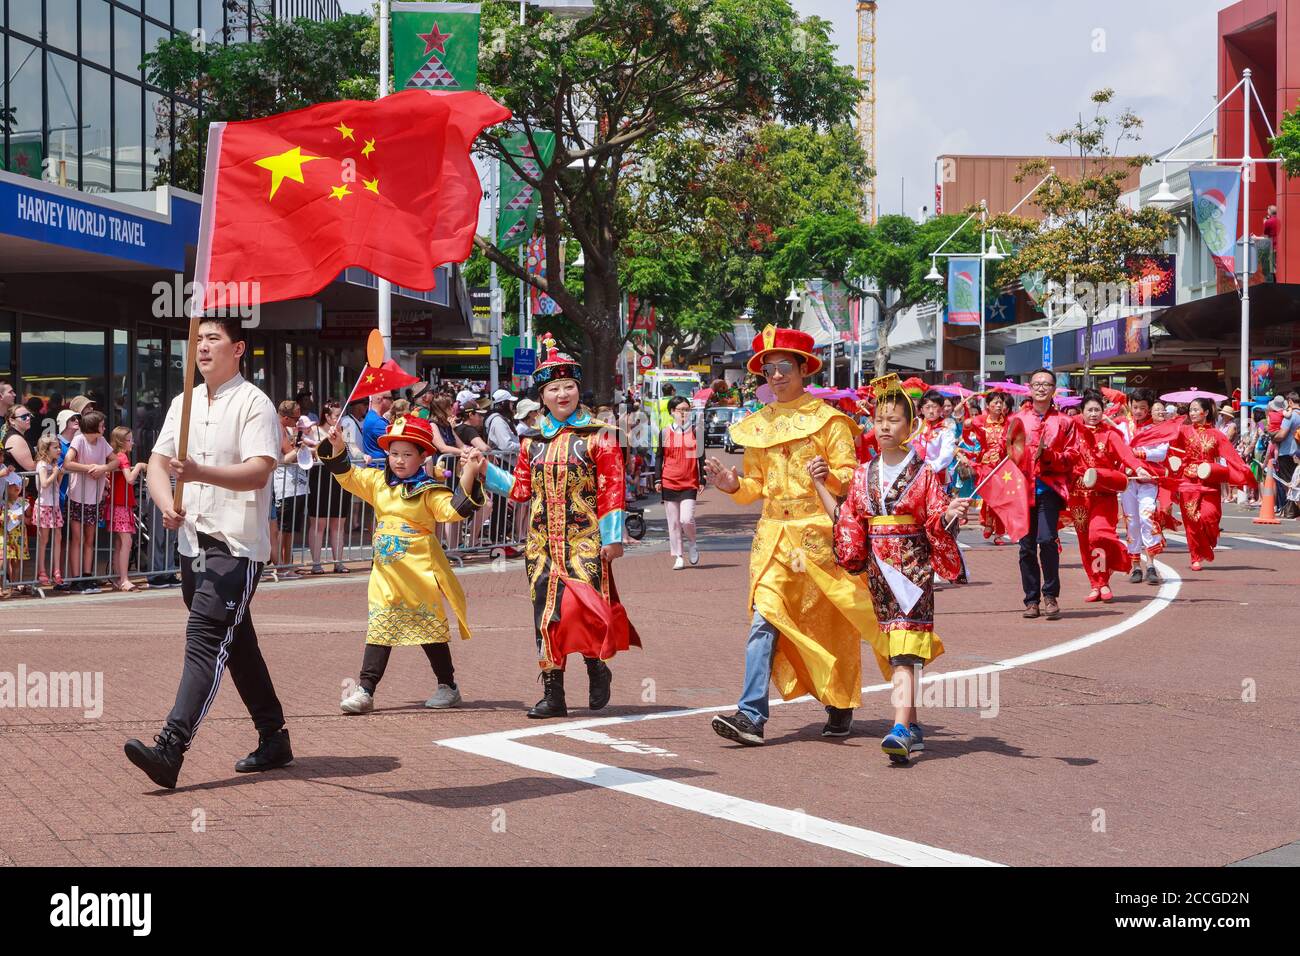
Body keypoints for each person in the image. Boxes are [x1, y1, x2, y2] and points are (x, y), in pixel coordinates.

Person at [124, 316, 291, 791]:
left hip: (236, 545)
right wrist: (163, 502)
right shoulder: (184, 401)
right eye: (198, 339)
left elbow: (259, 471)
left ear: (238, 349)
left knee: (204, 638)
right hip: (191, 543)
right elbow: (158, 461)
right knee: (236, 644)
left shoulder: (254, 402)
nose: (201, 346)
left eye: (213, 339)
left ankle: (170, 748)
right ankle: (274, 736)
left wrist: (198, 473)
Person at [703, 326, 875, 746]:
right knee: (765, 619)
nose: (775, 376)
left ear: (803, 369)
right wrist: (731, 484)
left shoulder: (830, 422)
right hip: (773, 540)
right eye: (768, 370)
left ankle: (839, 701)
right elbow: (755, 486)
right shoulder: (757, 426)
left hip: (818, 539)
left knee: (829, 624)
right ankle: (751, 716)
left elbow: (852, 480)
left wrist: (828, 475)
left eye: (783, 367)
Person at [811, 376, 970, 762]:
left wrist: (950, 512)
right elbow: (847, 522)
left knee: (905, 649)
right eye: (879, 418)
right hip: (880, 573)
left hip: (912, 570)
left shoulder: (924, 474)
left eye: (894, 419)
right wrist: (819, 485)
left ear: (911, 426)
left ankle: (899, 728)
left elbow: (935, 516)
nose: (884, 426)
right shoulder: (864, 473)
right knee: (898, 646)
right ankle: (912, 726)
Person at [483, 338, 640, 718]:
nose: (562, 393)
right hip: (540, 547)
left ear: (577, 389)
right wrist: (482, 470)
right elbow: (520, 491)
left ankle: (596, 667)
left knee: (581, 610)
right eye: (553, 388)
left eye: (568, 385)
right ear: (543, 396)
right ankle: (553, 692)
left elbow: (612, 488)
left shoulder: (599, 436)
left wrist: (613, 537)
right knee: (545, 616)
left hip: (585, 542)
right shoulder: (531, 442)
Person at [324, 414, 487, 714]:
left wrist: (470, 471)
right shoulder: (376, 483)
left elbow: (454, 510)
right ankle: (365, 690)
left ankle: (448, 686)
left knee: (429, 632)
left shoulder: (429, 491)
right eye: (394, 453)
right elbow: (346, 475)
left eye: (407, 454)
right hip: (386, 576)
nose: (399, 460)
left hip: (420, 574)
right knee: (380, 627)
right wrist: (336, 446)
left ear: (423, 456)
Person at [1065, 390, 1151, 604]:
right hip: (1078, 496)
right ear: (1082, 412)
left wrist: (1138, 468)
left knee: (1099, 536)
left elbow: (1126, 454)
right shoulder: (1072, 431)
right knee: (1085, 542)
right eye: (1089, 410)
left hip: (1104, 495)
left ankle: (1108, 573)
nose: (1093, 414)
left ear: (1103, 412)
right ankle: (1096, 584)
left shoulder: (1110, 435)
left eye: (1097, 410)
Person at [1011, 369, 1075, 620]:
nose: (1041, 388)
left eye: (1046, 384)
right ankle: (1031, 600)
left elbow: (1073, 456)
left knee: (1047, 541)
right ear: (1029, 387)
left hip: (1048, 488)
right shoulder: (1017, 420)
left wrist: (1049, 456)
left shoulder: (1065, 422)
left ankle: (1050, 595)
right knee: (1025, 547)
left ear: (1053, 389)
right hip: (1021, 490)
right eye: (1037, 384)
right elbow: (1005, 453)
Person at [1177, 397, 1256, 571]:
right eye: (1190, 410)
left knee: (1210, 517)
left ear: (1205, 412)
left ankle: (1207, 543)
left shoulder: (1216, 434)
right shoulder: (1182, 431)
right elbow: (1171, 449)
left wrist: (1244, 472)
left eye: (1196, 409)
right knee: (1191, 521)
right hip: (1188, 481)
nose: (1192, 413)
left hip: (1210, 481)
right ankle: (1195, 556)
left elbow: (1231, 456)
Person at [61, 408, 118, 592]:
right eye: (101, 425)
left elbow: (115, 461)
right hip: (78, 495)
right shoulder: (79, 439)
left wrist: (103, 468)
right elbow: (67, 462)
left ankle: (87, 575)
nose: (104, 428)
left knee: (89, 539)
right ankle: (76, 577)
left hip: (95, 497)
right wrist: (90, 468)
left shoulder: (101, 441)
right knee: (77, 538)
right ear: (94, 426)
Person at [1122, 388, 1173, 584]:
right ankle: (1135, 565)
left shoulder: (1158, 429)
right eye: (1135, 407)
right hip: (1128, 480)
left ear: (1149, 408)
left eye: (1142, 408)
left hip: (1149, 479)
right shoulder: (1123, 428)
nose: (1138, 411)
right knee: (1132, 521)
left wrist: (1139, 454)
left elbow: (1161, 453)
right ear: (1130, 407)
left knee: (1147, 515)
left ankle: (1151, 564)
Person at [654, 395, 703, 570]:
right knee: (673, 522)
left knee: (686, 519)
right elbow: (659, 457)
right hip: (669, 481)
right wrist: (657, 478)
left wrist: (702, 477)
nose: (684, 413)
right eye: (681, 410)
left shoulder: (696, 432)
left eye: (687, 409)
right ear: (672, 412)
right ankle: (679, 556)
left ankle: (692, 543)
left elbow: (701, 457)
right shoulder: (664, 433)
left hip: (689, 482)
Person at [306, 400, 352, 574]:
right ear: (327, 416)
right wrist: (325, 441)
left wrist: (365, 456)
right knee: (319, 523)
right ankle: (316, 563)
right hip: (320, 481)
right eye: (336, 416)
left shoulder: (344, 432)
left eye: (341, 416)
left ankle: (338, 562)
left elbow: (352, 450)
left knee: (338, 523)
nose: (339, 419)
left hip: (340, 480)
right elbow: (309, 450)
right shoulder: (315, 431)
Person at [965, 391, 1015, 544]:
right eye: (995, 402)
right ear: (988, 406)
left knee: (1001, 498)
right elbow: (966, 426)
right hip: (986, 464)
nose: (999, 405)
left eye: (1001, 402)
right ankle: (987, 521)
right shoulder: (980, 420)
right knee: (990, 496)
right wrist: (965, 415)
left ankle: (999, 532)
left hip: (1003, 464)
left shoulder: (1008, 422)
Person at [270, 400, 310, 579]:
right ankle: (282, 567)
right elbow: (286, 457)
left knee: (289, 528)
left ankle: (286, 565)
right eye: (295, 417)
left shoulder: (285, 429)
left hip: (292, 485)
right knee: (283, 529)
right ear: (285, 417)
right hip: (283, 486)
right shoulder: (278, 428)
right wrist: (301, 447)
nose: (298, 420)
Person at [105, 426, 148, 592]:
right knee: (126, 541)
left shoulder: (117, 456)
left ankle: (119, 577)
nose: (133, 442)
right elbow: (130, 479)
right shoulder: (122, 457)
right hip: (120, 504)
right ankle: (123, 579)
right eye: (129, 439)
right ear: (121, 442)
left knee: (120, 542)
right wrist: (139, 466)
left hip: (119, 503)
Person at [34, 435, 64, 588]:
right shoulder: (42, 465)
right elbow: (45, 483)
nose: (59, 450)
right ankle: (42, 570)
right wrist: (55, 473)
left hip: (54, 505)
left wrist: (59, 475)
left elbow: (55, 485)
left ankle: (56, 569)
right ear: (46, 449)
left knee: (58, 536)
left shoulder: (53, 464)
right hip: (45, 505)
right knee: (44, 539)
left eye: (59, 447)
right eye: (55, 448)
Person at [1271, 391, 1299, 520]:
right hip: (1297, 454)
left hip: (1287, 453)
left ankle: (1292, 509)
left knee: (1288, 483)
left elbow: (1282, 435)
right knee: (1297, 482)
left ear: (1290, 402)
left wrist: (1272, 436)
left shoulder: (1290, 416)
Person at [362, 393, 393, 468]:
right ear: (380, 399)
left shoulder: (374, 417)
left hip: (379, 468)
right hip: (380, 470)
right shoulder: (376, 422)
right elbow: (398, 441)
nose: (393, 401)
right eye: (390, 398)